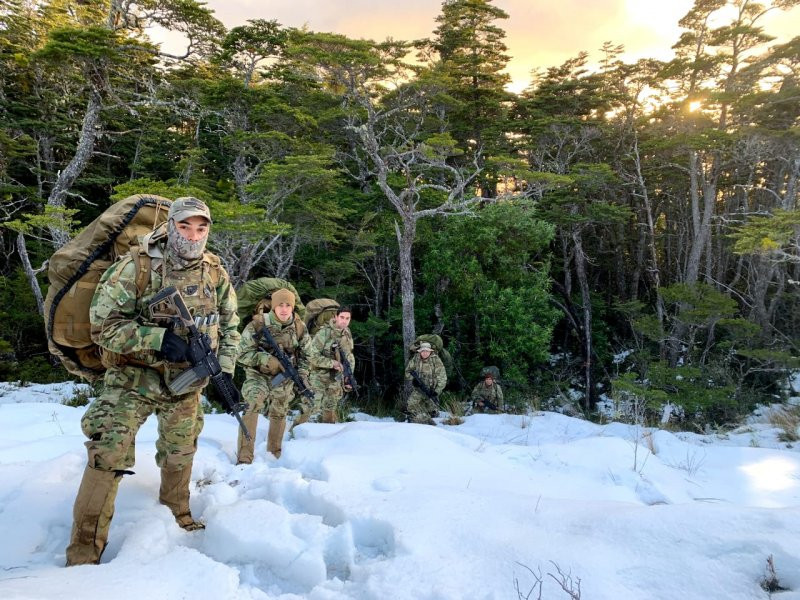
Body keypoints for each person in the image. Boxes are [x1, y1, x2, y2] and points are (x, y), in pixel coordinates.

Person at [66, 197, 240, 566]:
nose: (193, 235)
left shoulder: (214, 273)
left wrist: (223, 369)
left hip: (185, 384)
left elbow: (229, 324)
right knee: (108, 451)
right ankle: (83, 552)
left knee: (181, 449)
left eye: (201, 227)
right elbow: (104, 327)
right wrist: (157, 339)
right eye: (185, 226)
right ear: (170, 225)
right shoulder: (136, 267)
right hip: (133, 378)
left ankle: (177, 517)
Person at [235, 288, 312, 462]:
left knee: (280, 410)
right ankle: (244, 457)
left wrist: (302, 374)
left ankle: (274, 455)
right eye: (280, 305)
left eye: (288, 305)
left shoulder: (299, 328)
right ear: (274, 307)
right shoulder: (258, 324)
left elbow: (308, 357)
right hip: (258, 374)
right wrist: (264, 358)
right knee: (252, 404)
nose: (284, 309)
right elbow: (240, 354)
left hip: (285, 376)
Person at [301, 306, 355, 425]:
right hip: (319, 376)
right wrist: (332, 363)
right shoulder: (324, 333)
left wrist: (348, 376)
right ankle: (294, 432)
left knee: (330, 406)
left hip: (336, 377)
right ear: (335, 317)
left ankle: (327, 435)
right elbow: (312, 356)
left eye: (347, 318)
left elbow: (349, 356)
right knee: (311, 406)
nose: (344, 321)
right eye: (342, 317)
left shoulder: (347, 333)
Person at [404, 341, 447, 425]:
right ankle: (415, 419)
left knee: (433, 411)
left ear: (430, 351)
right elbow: (407, 372)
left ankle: (428, 416)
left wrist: (436, 392)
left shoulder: (436, 360)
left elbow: (442, 377)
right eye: (423, 351)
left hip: (431, 391)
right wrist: (413, 380)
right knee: (410, 406)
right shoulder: (416, 359)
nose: (424, 353)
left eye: (427, 351)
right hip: (419, 390)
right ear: (420, 351)